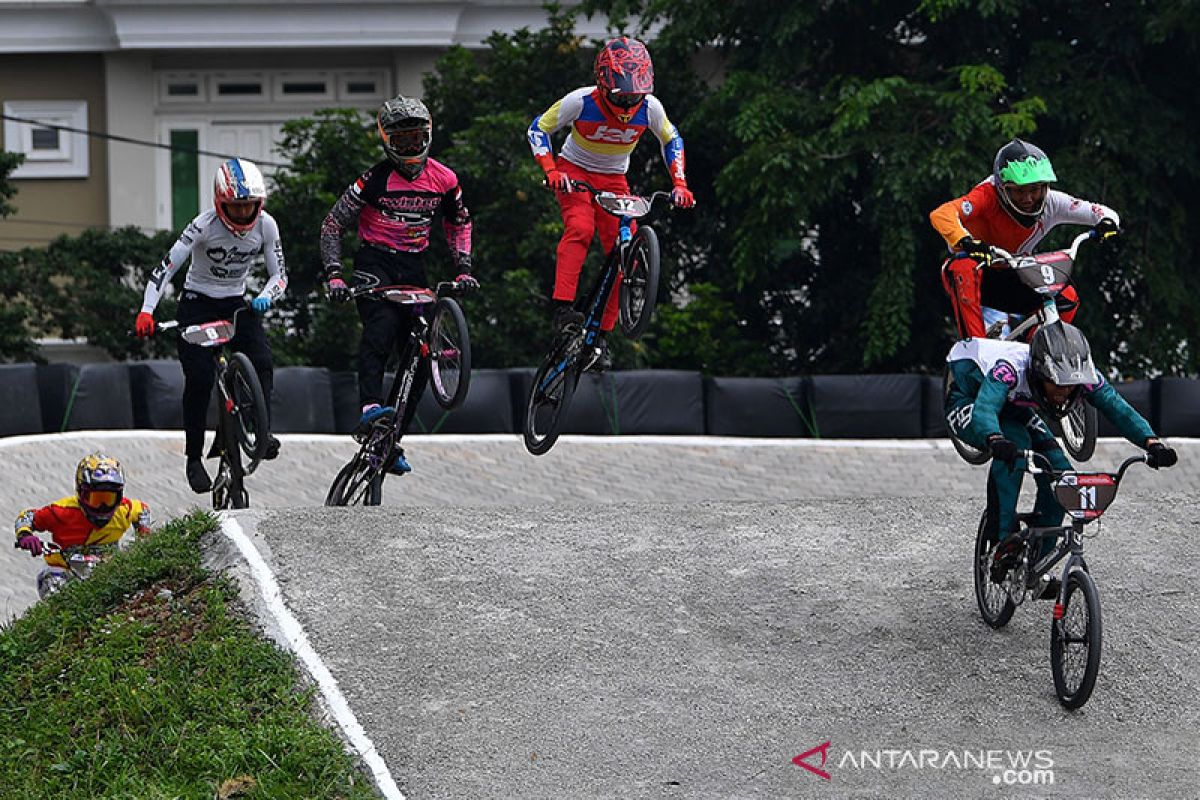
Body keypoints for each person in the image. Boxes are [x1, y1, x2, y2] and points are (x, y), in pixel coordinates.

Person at [945, 321, 1177, 595]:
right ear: (1038, 373)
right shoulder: (1009, 369)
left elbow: (1116, 407)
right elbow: (986, 406)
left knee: (1063, 477)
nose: (1064, 392)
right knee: (1016, 444)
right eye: (1056, 385)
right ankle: (1001, 540)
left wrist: (1151, 442)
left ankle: (1034, 565)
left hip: (1014, 406)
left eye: (1070, 386)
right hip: (969, 396)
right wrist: (993, 438)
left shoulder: (1081, 373)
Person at [320, 95, 476, 475]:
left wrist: (464, 268)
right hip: (374, 262)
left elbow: (459, 222)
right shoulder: (370, 181)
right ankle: (371, 408)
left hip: (413, 264)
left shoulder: (445, 179)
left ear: (428, 136)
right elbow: (332, 225)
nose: (409, 148)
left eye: (416, 138)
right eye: (400, 141)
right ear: (386, 141)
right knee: (383, 327)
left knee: (422, 352)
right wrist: (335, 275)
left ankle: (392, 440)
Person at [526, 36, 695, 371]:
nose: (629, 103)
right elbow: (538, 129)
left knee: (624, 251)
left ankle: (600, 337)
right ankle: (563, 309)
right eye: (622, 96)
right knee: (580, 227)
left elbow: (671, 138)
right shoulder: (580, 100)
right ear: (603, 84)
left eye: (636, 95)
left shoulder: (650, 108)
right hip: (574, 173)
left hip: (615, 180)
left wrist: (680, 184)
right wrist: (551, 170)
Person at [135, 157, 286, 494]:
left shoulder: (267, 225)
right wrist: (147, 310)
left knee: (261, 360)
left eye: (250, 207)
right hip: (197, 304)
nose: (244, 215)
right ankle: (193, 457)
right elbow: (166, 268)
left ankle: (260, 429)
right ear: (220, 203)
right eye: (236, 207)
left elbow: (280, 274)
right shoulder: (202, 226)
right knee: (200, 378)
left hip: (237, 303)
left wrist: (265, 295)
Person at [930, 139, 1120, 340]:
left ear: (1044, 187)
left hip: (1014, 275)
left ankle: (1036, 354)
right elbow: (941, 214)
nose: (1028, 198)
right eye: (1019, 191)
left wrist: (1106, 223)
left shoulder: (1053, 202)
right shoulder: (987, 194)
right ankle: (976, 348)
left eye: (1034, 190)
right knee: (963, 266)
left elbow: (1101, 212)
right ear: (1004, 188)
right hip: (978, 275)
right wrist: (966, 241)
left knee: (1067, 296)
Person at [14, 453, 152, 597]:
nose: (102, 506)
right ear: (81, 492)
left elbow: (142, 510)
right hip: (65, 569)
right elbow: (27, 516)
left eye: (108, 499)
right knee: (52, 584)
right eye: (96, 499)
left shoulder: (124, 510)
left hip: (110, 568)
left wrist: (144, 537)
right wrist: (25, 535)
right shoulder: (61, 511)